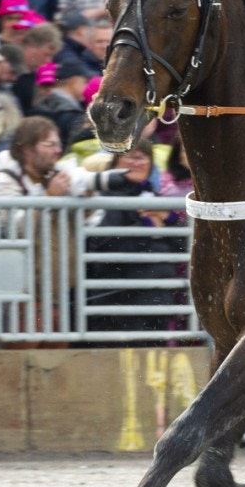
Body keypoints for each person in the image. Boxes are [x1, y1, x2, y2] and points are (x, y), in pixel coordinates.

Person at [85, 137, 186, 340]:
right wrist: (146, 228)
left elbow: (184, 246)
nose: (136, 163)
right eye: (129, 157)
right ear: (115, 163)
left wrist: (170, 219)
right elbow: (103, 246)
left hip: (159, 299)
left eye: (142, 158)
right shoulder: (104, 198)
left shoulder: (154, 197)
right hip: (118, 302)